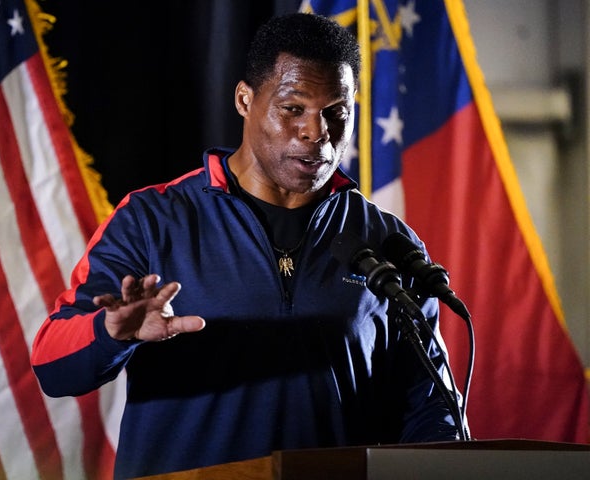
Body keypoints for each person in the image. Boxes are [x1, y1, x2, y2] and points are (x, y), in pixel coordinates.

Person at [31, 12, 466, 480]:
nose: (316, 133)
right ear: (244, 100)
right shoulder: (152, 219)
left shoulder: (386, 239)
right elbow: (51, 365)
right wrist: (108, 333)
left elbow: (431, 410)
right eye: (293, 109)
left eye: (336, 113)